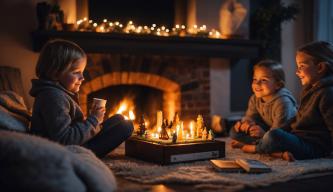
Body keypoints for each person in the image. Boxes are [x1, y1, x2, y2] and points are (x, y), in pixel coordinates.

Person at [30, 39, 133, 158]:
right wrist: (93, 120)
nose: (82, 78)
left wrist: (91, 121)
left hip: (76, 145)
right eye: (76, 72)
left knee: (119, 119)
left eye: (82, 72)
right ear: (55, 73)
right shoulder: (53, 97)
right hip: (67, 153)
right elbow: (65, 139)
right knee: (126, 126)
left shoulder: (58, 93)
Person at [239, 41, 333, 161]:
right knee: (272, 134)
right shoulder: (309, 90)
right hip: (298, 137)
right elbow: (296, 119)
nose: (297, 72)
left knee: (274, 136)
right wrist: (280, 130)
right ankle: (277, 151)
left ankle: (257, 148)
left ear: (320, 67)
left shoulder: (328, 93)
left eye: (301, 66)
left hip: (314, 146)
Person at [230, 60, 297, 147]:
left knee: (271, 138)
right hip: (268, 129)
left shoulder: (283, 102)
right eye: (255, 79)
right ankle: (260, 144)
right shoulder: (255, 98)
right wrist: (246, 123)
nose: (257, 83)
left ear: (278, 84)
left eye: (264, 80)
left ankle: (256, 146)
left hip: (286, 134)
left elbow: (279, 132)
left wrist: (264, 134)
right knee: (234, 132)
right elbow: (251, 117)